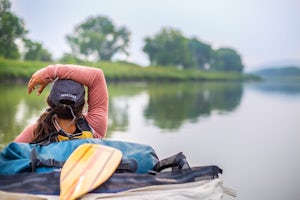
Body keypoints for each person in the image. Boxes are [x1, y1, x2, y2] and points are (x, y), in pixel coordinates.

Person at [14, 64, 109, 143]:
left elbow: (7, 158)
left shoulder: (37, 131)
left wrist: (49, 71)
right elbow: (97, 76)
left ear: (50, 102)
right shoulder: (95, 125)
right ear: (83, 104)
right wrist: (51, 71)